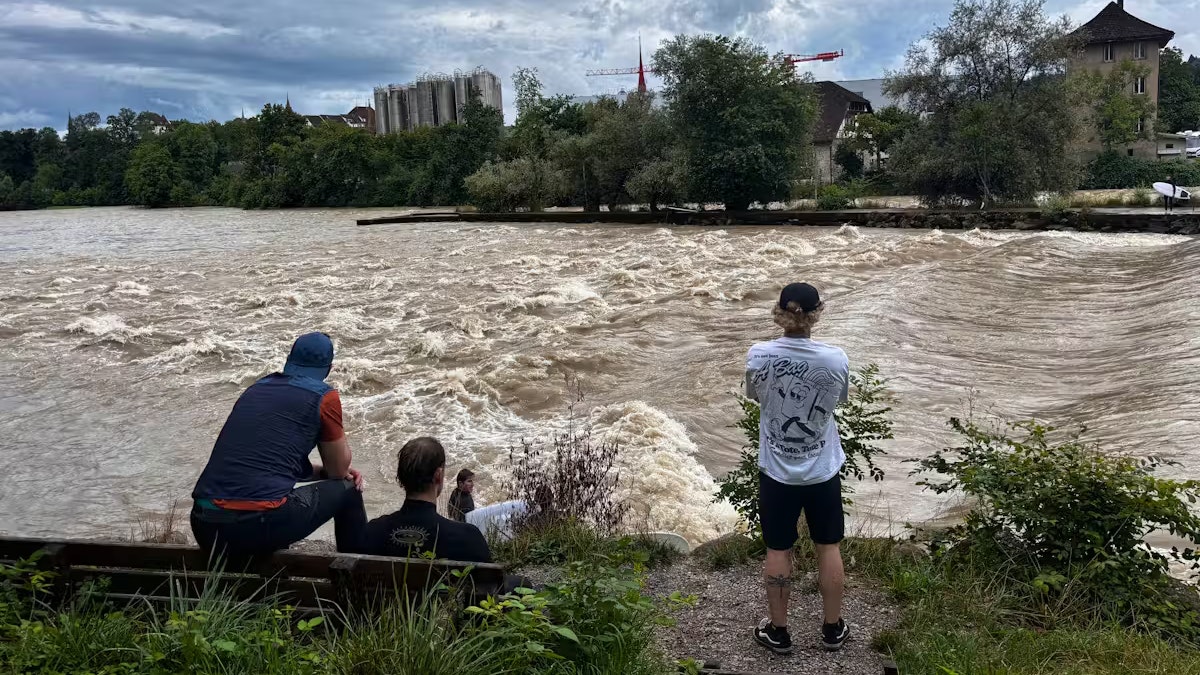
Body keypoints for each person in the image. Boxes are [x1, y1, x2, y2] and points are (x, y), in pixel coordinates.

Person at [745, 283, 851, 654]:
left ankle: (778, 631)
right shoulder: (835, 358)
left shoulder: (758, 355)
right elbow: (838, 400)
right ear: (817, 313)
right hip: (822, 470)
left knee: (778, 547)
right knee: (828, 545)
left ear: (779, 313)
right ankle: (832, 628)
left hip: (776, 470)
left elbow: (755, 396)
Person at [190, 332, 367, 556]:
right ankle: (357, 581)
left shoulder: (256, 389)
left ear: (289, 360)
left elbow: (270, 464)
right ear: (329, 368)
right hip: (256, 525)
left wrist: (323, 472)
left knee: (274, 495)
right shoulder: (325, 397)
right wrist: (342, 472)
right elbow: (338, 471)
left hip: (204, 525)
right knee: (348, 489)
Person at [361, 437, 528, 592]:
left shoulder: (373, 531)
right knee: (523, 584)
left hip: (391, 615)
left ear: (401, 477)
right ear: (438, 476)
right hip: (452, 620)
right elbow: (490, 588)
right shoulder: (467, 536)